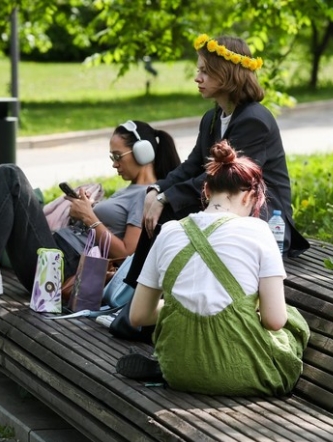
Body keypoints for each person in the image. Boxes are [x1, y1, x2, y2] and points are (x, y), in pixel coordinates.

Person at [118, 140, 310, 396]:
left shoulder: (169, 231)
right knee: (292, 319)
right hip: (247, 375)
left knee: (180, 314)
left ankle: (173, 364)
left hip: (178, 372)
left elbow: (138, 316)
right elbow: (275, 321)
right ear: (250, 196)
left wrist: (188, 302)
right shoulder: (259, 231)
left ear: (206, 191)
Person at [123, 33, 310, 288]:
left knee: (169, 212)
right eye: (198, 70)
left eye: (206, 72)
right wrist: (157, 189)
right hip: (226, 203)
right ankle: (140, 296)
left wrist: (166, 198)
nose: (197, 78)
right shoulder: (212, 118)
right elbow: (192, 166)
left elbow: (224, 177)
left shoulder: (254, 120)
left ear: (227, 75)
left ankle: (146, 299)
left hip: (262, 215)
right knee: (164, 214)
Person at [0, 121, 181, 298]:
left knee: (9, 174)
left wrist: (90, 217)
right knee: (4, 176)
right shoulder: (129, 190)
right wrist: (86, 210)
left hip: (62, 268)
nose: (114, 164)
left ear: (143, 153)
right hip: (54, 255)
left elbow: (128, 253)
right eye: (111, 157)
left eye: (117, 156)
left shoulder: (146, 195)